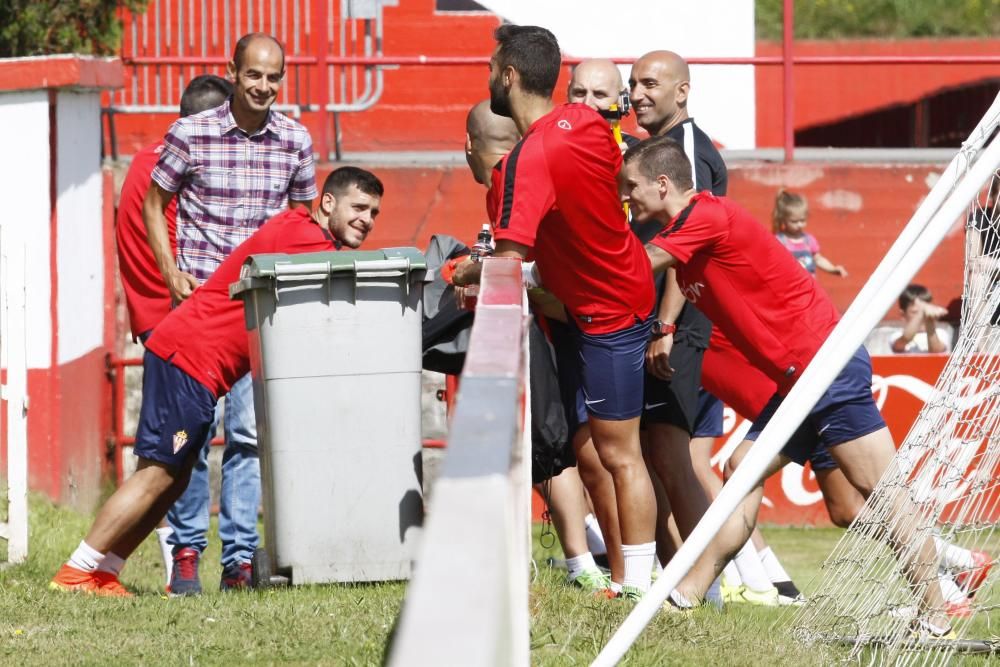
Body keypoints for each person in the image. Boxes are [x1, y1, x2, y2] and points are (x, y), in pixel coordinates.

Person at [621, 134, 955, 636]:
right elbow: (669, 277)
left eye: (631, 187)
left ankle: (937, 609)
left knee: (880, 495)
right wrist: (665, 330)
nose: (627, 197)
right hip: (797, 383)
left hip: (827, 368)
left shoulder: (707, 217)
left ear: (663, 184)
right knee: (740, 469)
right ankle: (688, 596)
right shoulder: (689, 236)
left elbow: (636, 266)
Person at [50, 167, 382, 597]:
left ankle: (104, 570)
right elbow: (353, 276)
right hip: (188, 359)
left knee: (174, 477)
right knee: (157, 473)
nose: (367, 219)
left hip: (196, 365)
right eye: (359, 207)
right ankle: (76, 571)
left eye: (373, 212)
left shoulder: (304, 235)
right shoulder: (308, 239)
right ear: (328, 203)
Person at [453, 25, 661, 601]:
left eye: (493, 68)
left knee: (621, 455)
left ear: (510, 77)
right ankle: (627, 576)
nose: (490, 76)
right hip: (596, 305)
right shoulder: (589, 123)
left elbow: (509, 261)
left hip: (609, 315)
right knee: (600, 454)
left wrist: (464, 272)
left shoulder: (529, 158)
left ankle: (640, 589)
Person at [143, 32, 317, 594]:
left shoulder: (295, 139)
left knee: (247, 436)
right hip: (197, 312)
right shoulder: (191, 132)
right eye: (254, 75)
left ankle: (239, 560)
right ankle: (187, 551)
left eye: (274, 77)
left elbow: (302, 221)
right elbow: (154, 199)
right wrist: (170, 271)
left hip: (258, 311)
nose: (264, 86)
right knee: (190, 439)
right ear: (233, 72)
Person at [464, 100, 608, 591]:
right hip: (573, 326)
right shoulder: (538, 167)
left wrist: (472, 272)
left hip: (564, 331)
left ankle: (597, 566)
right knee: (570, 450)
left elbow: (532, 269)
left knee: (567, 449)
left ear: (469, 149)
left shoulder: (516, 178)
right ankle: (600, 563)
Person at [114, 74, 234, 587]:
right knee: (183, 448)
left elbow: (131, 248)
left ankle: (177, 556)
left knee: (173, 449)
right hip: (190, 327)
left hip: (159, 323)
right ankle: (180, 556)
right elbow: (173, 253)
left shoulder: (143, 165)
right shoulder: (176, 168)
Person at [772, 189, 848, 278]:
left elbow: (818, 259)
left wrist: (832, 269)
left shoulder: (808, 240)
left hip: (809, 287)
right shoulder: (779, 240)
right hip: (789, 287)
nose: (799, 225)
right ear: (783, 219)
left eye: (802, 220)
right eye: (794, 221)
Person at [892, 284, 951, 353]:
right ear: (903, 315)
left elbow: (936, 351)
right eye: (915, 312)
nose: (922, 317)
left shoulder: (941, 334)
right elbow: (905, 339)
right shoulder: (896, 335)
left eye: (926, 311)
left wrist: (929, 319)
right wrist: (922, 312)